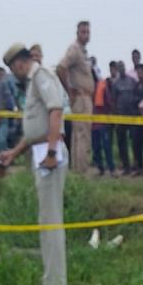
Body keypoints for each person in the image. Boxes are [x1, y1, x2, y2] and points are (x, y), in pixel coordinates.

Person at [0, 44, 68, 285]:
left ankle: (55, 283)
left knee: (50, 219)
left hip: (49, 153)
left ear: (18, 63)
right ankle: (52, 278)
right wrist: (14, 153)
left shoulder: (41, 76)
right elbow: (35, 129)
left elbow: (56, 110)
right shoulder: (32, 82)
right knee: (46, 217)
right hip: (40, 151)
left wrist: (50, 152)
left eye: (12, 67)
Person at [56, 21, 95, 174]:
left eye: (88, 32)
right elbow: (61, 67)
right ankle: (81, 172)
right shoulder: (74, 49)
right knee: (82, 135)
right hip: (80, 97)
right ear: (77, 33)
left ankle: (78, 170)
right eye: (83, 32)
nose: (86, 35)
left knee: (81, 135)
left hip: (85, 97)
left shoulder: (83, 52)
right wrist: (69, 90)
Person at [110, 61, 139, 175]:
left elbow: (137, 97)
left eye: (123, 67)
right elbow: (113, 101)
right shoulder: (115, 84)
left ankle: (136, 166)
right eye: (119, 67)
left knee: (135, 143)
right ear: (117, 69)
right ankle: (126, 167)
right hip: (120, 116)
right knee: (122, 143)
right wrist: (115, 116)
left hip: (132, 116)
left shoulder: (132, 81)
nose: (121, 69)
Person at [90, 62, 115, 176]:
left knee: (106, 146)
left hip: (103, 122)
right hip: (93, 123)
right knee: (96, 147)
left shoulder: (103, 87)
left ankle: (111, 169)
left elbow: (109, 103)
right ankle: (100, 168)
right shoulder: (87, 90)